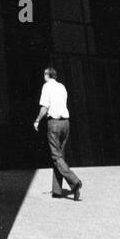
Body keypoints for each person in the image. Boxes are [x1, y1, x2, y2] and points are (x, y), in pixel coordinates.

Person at [33, 65, 83, 200]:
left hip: (54, 123)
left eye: (44, 74)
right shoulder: (62, 87)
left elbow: (44, 107)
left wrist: (37, 120)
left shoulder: (47, 86)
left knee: (56, 157)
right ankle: (57, 190)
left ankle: (74, 181)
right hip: (65, 123)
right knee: (60, 156)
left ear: (47, 75)